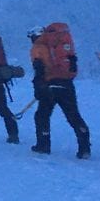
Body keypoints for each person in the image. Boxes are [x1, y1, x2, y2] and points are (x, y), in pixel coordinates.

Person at [27, 24, 91, 158]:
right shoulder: (60, 45)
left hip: (49, 86)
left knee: (42, 115)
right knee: (74, 116)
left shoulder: (38, 47)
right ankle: (84, 148)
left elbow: (39, 69)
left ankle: (43, 145)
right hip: (67, 84)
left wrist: (38, 87)